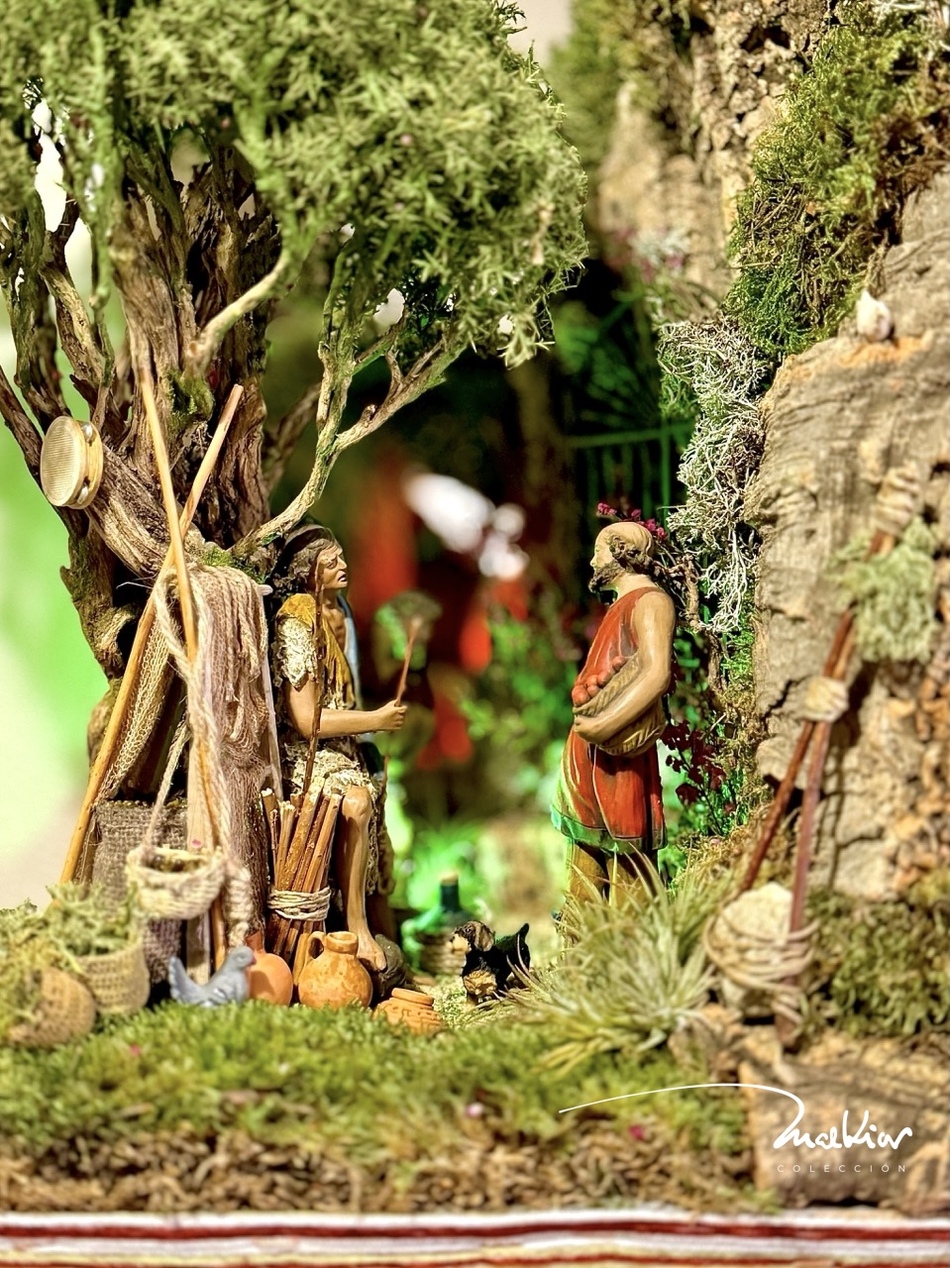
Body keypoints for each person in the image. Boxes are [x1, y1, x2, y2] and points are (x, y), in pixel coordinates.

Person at [272, 526, 405, 971]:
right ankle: (355, 926)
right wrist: (375, 721)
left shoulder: (341, 611)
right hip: (306, 754)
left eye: (342, 556)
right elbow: (307, 720)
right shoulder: (297, 621)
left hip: (348, 746)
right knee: (357, 802)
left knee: (376, 796)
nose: (343, 566)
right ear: (307, 571)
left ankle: (379, 921)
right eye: (330, 562)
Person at [551, 520, 675, 902]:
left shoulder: (650, 602)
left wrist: (606, 723)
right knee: (584, 858)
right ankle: (582, 935)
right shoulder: (621, 604)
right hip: (591, 753)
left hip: (620, 756)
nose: (592, 562)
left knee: (628, 860)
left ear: (622, 552)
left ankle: (627, 936)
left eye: (599, 551)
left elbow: (656, 673)